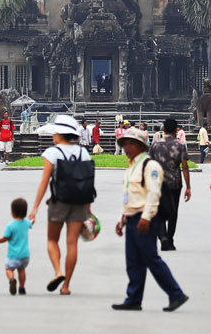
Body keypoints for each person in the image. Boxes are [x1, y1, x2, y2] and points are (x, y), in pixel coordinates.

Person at [112, 127, 189, 312]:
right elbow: (130, 195)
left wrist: (146, 217)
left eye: (132, 144)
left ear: (141, 146)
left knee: (151, 258)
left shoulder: (150, 166)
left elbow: (154, 194)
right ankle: (134, 298)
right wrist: (122, 218)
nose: (127, 148)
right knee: (133, 260)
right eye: (125, 144)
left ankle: (176, 294)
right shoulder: (132, 166)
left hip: (145, 217)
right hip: (132, 217)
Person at [30, 114, 94, 295]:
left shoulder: (52, 153)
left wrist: (35, 208)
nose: (53, 135)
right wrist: (88, 207)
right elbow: (89, 180)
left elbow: (44, 182)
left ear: (60, 134)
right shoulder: (83, 152)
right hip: (80, 202)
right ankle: (66, 286)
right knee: (72, 243)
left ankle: (58, 272)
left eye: (55, 133)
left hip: (59, 201)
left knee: (52, 240)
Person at [150, 118, 192, 251]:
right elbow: (184, 166)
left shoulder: (155, 145)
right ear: (176, 130)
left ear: (163, 129)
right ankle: (170, 238)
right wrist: (188, 186)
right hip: (175, 182)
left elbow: (150, 165)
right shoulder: (180, 145)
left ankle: (162, 236)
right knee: (173, 211)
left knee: (159, 210)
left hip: (158, 182)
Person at [0, 197, 33, 295]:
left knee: (9, 269)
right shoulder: (26, 223)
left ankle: (12, 279)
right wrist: (32, 219)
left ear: (13, 212)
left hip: (13, 255)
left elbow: (5, 238)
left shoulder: (10, 226)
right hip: (25, 255)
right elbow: (31, 223)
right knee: (21, 270)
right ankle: (22, 288)